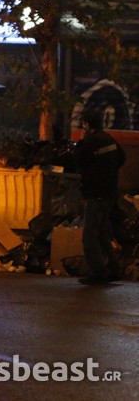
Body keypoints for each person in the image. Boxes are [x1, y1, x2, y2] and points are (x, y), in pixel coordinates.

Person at [75, 109, 126, 285]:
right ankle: (115, 269)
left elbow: (79, 160)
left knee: (89, 235)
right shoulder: (109, 139)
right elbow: (122, 158)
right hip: (110, 192)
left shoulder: (90, 141)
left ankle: (98, 272)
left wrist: (81, 139)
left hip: (96, 193)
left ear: (87, 124)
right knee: (102, 233)